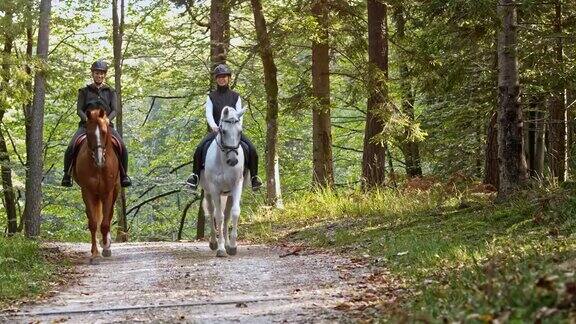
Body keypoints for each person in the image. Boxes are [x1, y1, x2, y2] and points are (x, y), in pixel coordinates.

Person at [186, 64, 262, 190]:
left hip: (233, 131)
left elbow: (239, 114)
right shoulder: (211, 97)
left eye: (224, 77)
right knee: (199, 149)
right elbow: (209, 114)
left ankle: (254, 178)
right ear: (216, 79)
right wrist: (214, 126)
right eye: (219, 77)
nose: (222, 79)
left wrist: (237, 128)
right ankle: (195, 177)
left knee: (252, 149)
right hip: (217, 131)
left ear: (229, 78)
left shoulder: (235, 96)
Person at [61, 60, 132, 187]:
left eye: (101, 74)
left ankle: (124, 176)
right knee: (71, 147)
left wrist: (107, 119)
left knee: (122, 147)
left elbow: (115, 110)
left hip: (106, 127)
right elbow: (79, 110)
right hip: (86, 127)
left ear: (104, 75)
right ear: (93, 74)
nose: (99, 76)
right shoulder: (84, 91)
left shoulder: (110, 92)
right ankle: (67, 174)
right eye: (97, 73)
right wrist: (87, 120)